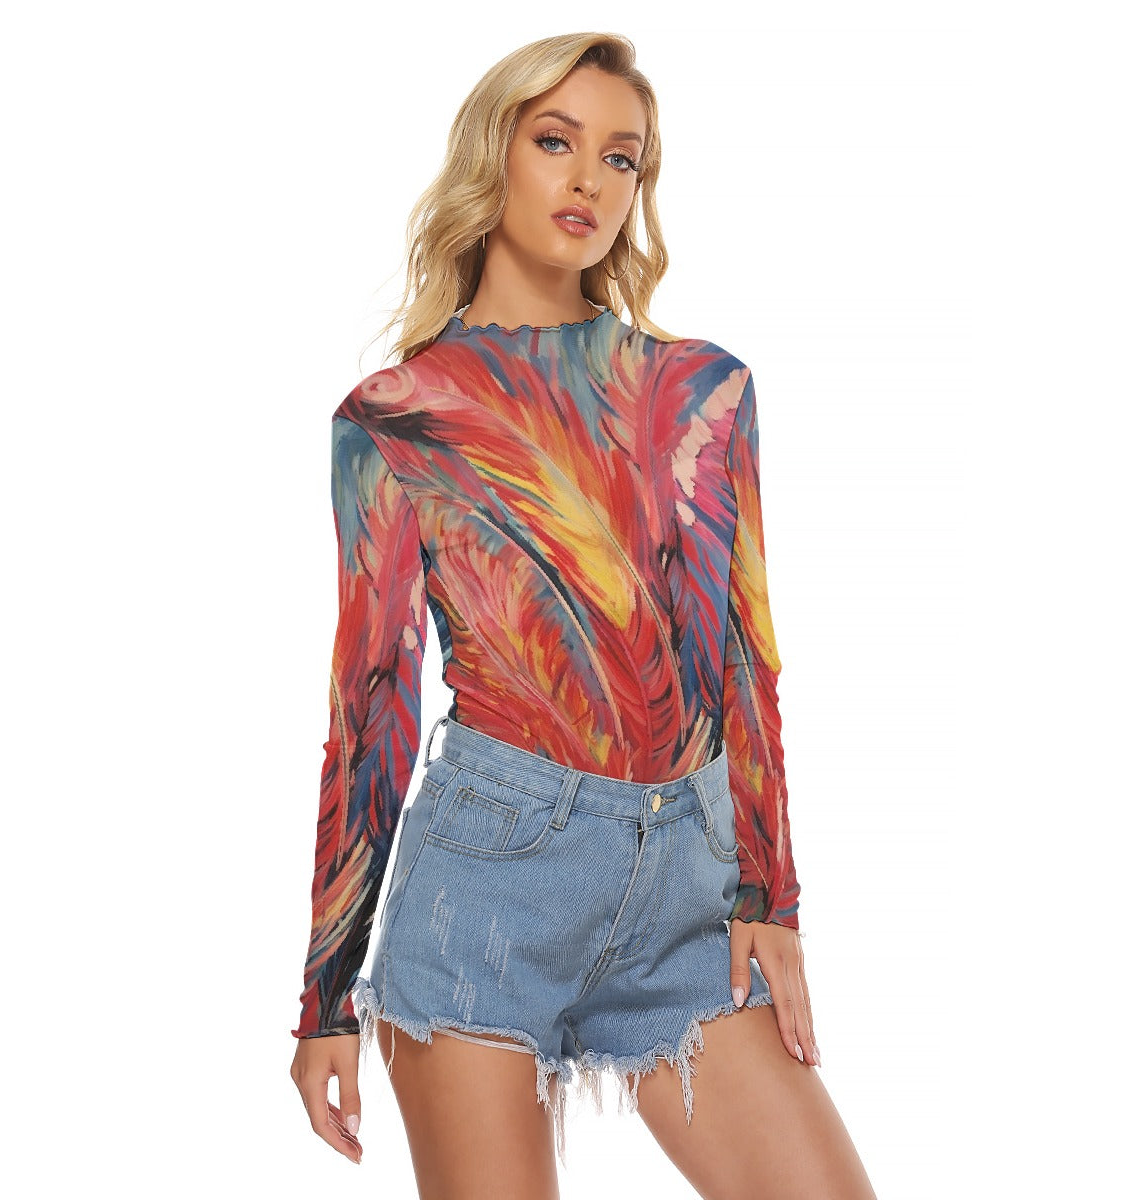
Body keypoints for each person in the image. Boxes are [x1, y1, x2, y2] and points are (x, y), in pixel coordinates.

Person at [290, 31, 877, 1200]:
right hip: (487, 888)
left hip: (690, 893)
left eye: (622, 158)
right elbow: (372, 711)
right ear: (492, 158)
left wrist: (772, 896)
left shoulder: (704, 390)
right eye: (556, 142)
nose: (590, 181)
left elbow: (744, 659)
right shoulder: (397, 419)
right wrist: (325, 1000)